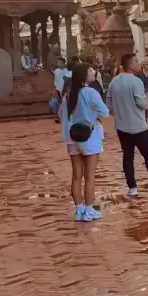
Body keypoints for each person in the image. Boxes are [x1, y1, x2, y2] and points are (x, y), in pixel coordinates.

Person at [107, 52, 148, 197]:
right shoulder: (135, 81)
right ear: (130, 65)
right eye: (136, 61)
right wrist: (147, 101)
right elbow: (142, 103)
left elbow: (109, 104)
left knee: (127, 156)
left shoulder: (114, 82)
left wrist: (119, 113)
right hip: (138, 126)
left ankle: (132, 187)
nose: (139, 63)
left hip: (121, 126)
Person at [60, 61, 109, 221]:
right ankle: (89, 210)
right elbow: (105, 111)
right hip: (90, 137)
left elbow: (61, 114)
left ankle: (79, 209)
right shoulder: (90, 92)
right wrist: (92, 116)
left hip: (72, 138)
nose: (93, 71)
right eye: (90, 70)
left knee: (76, 175)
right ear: (84, 75)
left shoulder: (69, 94)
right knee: (90, 176)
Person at [51, 56, 69, 121]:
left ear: (64, 63)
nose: (59, 64)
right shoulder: (56, 71)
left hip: (64, 89)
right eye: (58, 63)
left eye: (60, 63)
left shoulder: (66, 71)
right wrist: (55, 88)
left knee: (63, 102)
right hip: (58, 89)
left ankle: (60, 117)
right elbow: (55, 80)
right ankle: (59, 116)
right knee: (58, 102)